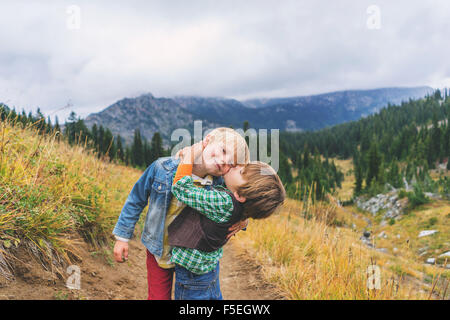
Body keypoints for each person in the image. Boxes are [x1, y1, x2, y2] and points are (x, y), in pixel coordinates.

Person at [112, 127, 250, 300]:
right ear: (208, 140)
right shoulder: (162, 168)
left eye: (231, 164)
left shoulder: (220, 185)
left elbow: (240, 202)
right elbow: (136, 198)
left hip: (193, 258)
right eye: (223, 151)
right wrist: (122, 237)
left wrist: (244, 220)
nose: (223, 161)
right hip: (159, 249)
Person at [169, 142, 286, 300]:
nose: (235, 166)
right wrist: (244, 220)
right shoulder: (244, 206)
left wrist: (189, 155)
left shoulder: (225, 202)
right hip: (209, 270)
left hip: (192, 275)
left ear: (240, 195)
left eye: (241, 170)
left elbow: (181, 189)